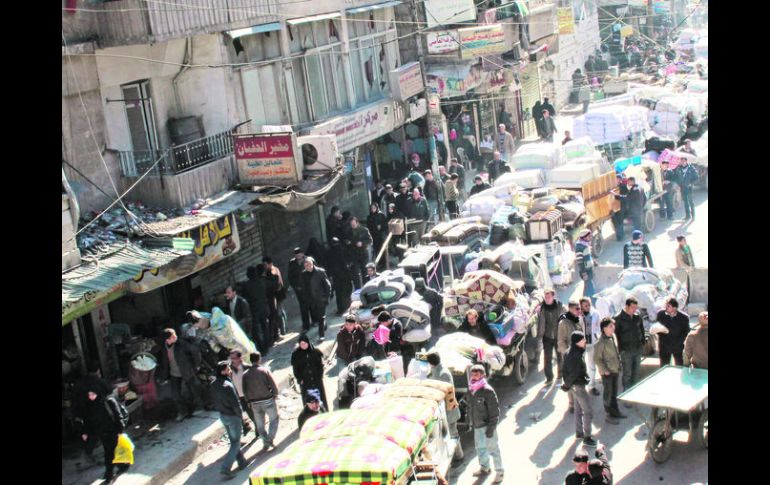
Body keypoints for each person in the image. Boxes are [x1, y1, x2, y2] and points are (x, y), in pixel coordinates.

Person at [79, 385, 130, 481]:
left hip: (113, 431)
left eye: (93, 394)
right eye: (89, 395)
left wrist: (120, 431)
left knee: (109, 453)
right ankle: (122, 465)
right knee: (112, 451)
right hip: (102, 433)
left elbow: (118, 416)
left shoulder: (109, 401)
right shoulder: (90, 405)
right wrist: (85, 432)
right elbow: (87, 420)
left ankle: (109, 474)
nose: (91, 397)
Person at [157, 328, 204, 422]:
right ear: (167, 340)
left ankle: (200, 407)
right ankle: (183, 411)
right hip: (174, 373)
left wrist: (197, 365)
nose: (175, 337)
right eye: (172, 337)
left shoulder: (182, 343)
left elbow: (195, 351)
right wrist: (164, 376)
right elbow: (165, 361)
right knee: (175, 394)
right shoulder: (165, 346)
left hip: (187, 370)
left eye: (174, 335)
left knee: (194, 389)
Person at [211, 361, 248, 478]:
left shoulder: (213, 384)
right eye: (227, 369)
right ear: (222, 371)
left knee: (234, 441)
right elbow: (236, 403)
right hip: (233, 416)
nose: (230, 371)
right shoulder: (228, 385)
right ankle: (226, 468)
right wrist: (241, 416)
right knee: (236, 443)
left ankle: (242, 462)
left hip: (223, 415)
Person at [468, 365, 504, 483]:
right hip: (477, 426)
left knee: (493, 449)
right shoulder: (472, 389)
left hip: (487, 427)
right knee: (480, 448)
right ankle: (485, 468)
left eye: (477, 374)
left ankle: (499, 472)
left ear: (483, 375)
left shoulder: (488, 391)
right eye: (472, 374)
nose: (474, 376)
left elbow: (495, 412)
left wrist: (491, 429)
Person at [72, 362, 112, 463]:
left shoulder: (79, 383)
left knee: (92, 433)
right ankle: (109, 454)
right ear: (98, 370)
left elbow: (75, 397)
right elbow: (109, 390)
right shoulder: (99, 381)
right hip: (98, 412)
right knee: (103, 432)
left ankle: (89, 453)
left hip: (85, 413)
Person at [561, 331, 596, 446]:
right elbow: (573, 374)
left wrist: (567, 385)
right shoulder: (575, 356)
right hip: (578, 386)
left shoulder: (571, 352)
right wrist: (567, 385)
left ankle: (579, 432)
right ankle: (587, 437)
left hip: (574, 386)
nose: (585, 341)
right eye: (583, 340)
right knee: (588, 411)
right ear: (577, 342)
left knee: (578, 409)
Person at [427, 352, 463, 462]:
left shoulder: (443, 374)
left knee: (453, 433)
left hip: (449, 411)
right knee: (447, 435)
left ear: (430, 363)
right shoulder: (437, 371)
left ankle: (459, 455)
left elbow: (446, 394)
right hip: (444, 411)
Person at [242, 351, 279, 452]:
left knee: (260, 425)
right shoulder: (264, 370)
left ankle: (265, 441)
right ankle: (270, 439)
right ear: (259, 359)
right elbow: (273, 384)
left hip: (254, 403)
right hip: (267, 400)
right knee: (274, 420)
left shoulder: (245, 375)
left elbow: (244, 390)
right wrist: (275, 394)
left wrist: (248, 401)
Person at [593, 318, 627, 423]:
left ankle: (615, 411)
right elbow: (597, 359)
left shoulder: (613, 337)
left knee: (614, 393)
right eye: (610, 326)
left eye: (613, 326)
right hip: (607, 372)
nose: (613, 328)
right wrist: (604, 370)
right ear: (604, 329)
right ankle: (608, 415)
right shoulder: (600, 342)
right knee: (608, 394)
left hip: (615, 369)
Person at [532, 289, 567, 385]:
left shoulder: (560, 306)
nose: (547, 299)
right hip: (547, 336)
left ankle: (560, 375)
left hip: (558, 336)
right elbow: (539, 320)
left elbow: (567, 316)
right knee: (547, 358)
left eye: (549, 297)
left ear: (553, 296)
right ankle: (549, 378)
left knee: (560, 356)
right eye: (545, 297)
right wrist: (540, 334)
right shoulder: (542, 308)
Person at [614, 298, 646, 399]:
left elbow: (641, 330)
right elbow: (615, 336)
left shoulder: (637, 317)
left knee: (636, 372)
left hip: (637, 349)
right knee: (627, 373)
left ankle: (635, 391)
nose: (634, 310)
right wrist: (619, 351)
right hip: (626, 351)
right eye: (633, 308)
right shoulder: (618, 319)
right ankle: (627, 393)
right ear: (626, 306)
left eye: (636, 308)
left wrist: (642, 343)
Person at [557, 301, 585, 411]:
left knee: (579, 378)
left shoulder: (577, 320)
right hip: (570, 356)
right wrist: (568, 354)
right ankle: (572, 403)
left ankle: (579, 401)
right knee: (570, 379)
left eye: (579, 309)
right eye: (577, 309)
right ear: (570, 309)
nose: (579, 311)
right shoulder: (564, 323)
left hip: (579, 355)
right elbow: (561, 341)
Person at [291, 334, 328, 409]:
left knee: (321, 399)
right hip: (305, 382)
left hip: (316, 380)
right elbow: (295, 369)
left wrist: (320, 376)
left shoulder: (315, 351)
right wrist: (300, 380)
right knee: (308, 401)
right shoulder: (296, 354)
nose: (303, 345)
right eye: (301, 344)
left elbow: (320, 366)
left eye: (305, 343)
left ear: (308, 342)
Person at [301, 256, 331, 341]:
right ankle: (323, 324)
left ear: (312, 264)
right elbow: (304, 287)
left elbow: (327, 285)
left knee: (320, 317)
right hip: (311, 300)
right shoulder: (303, 274)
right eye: (305, 265)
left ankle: (321, 334)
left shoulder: (320, 272)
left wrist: (326, 296)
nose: (307, 267)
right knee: (318, 317)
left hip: (320, 298)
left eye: (309, 264)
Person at [242, 266, 270, 351]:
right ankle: (267, 346)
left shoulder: (247, 285)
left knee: (255, 331)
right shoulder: (262, 281)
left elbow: (245, 297)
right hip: (264, 307)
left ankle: (261, 348)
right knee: (265, 327)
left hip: (255, 310)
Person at [656, 297, 689, 368]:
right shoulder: (661, 314)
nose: (666, 308)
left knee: (679, 365)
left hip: (677, 346)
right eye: (666, 306)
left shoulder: (683, 317)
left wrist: (679, 342)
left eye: (668, 306)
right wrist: (659, 331)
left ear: (674, 308)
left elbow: (686, 331)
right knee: (664, 366)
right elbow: (657, 327)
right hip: (664, 346)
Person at [229, 350, 256, 436]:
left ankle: (258, 428)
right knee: (243, 414)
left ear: (240, 358)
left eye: (235, 358)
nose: (233, 360)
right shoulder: (229, 369)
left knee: (253, 413)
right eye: (231, 358)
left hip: (249, 395)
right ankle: (248, 427)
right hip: (238, 396)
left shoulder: (247, 367)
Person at [580, 298, 602, 397]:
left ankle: (592, 386)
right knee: (581, 365)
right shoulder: (578, 315)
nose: (587, 307)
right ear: (581, 306)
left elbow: (599, 326)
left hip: (592, 343)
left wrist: (596, 335)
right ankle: (581, 386)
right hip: (581, 344)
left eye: (588, 305)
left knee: (592, 365)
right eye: (585, 306)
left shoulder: (595, 313)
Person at [345, 217, 373, 289]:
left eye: (354, 224)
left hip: (363, 253)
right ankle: (358, 289)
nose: (353, 226)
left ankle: (367, 287)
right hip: (354, 254)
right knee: (355, 273)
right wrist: (348, 243)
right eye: (351, 224)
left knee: (365, 271)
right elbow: (346, 241)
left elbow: (370, 240)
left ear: (357, 223)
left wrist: (362, 243)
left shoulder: (364, 230)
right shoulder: (348, 231)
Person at [263, 256, 286, 343]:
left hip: (277, 296)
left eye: (265, 264)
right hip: (276, 296)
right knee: (280, 312)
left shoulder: (273, 271)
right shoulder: (272, 270)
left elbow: (278, 285)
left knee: (279, 313)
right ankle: (283, 329)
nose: (264, 266)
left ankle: (282, 330)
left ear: (270, 264)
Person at [575, 229, 596, 301]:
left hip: (589, 269)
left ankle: (583, 303)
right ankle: (595, 303)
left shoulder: (586, 244)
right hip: (585, 271)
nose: (591, 238)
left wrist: (594, 262)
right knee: (591, 288)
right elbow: (580, 262)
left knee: (587, 289)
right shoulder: (579, 247)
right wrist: (584, 273)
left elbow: (588, 256)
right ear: (584, 237)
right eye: (589, 236)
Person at [675, 156, 699, 221]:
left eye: (684, 161)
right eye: (681, 161)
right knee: (685, 202)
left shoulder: (691, 168)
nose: (682, 162)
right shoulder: (679, 169)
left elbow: (697, 178)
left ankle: (693, 215)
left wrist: (691, 183)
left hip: (689, 188)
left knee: (691, 201)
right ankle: (687, 216)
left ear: (686, 161)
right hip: (683, 188)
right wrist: (678, 185)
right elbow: (677, 178)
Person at [610, 175, 629, 241]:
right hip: (614, 208)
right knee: (615, 222)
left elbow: (626, 196)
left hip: (622, 207)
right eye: (616, 179)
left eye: (618, 179)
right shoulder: (612, 187)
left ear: (620, 180)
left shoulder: (623, 186)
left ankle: (621, 236)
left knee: (620, 222)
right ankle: (619, 236)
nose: (616, 180)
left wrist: (616, 195)